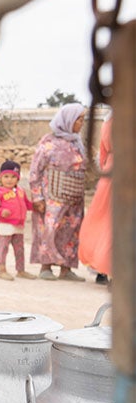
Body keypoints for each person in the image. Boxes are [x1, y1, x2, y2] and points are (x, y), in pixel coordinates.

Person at [29, 103, 88, 281]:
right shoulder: (49, 143)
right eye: (79, 119)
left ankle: (66, 268)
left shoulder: (77, 143)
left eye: (83, 119)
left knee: (71, 230)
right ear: (68, 120)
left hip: (74, 196)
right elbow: (35, 170)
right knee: (50, 228)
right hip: (53, 195)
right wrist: (37, 196)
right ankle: (45, 266)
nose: (82, 123)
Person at [79, 116, 113, 285]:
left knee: (102, 221)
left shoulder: (109, 121)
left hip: (110, 173)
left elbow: (103, 154)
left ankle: (102, 270)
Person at [0, 160, 34, 281]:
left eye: (13, 176)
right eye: (6, 176)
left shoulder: (20, 191)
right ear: (1, 177)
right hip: (4, 225)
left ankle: (21, 270)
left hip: (18, 226)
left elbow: (27, 204)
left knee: (19, 249)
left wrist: (36, 206)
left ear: (18, 178)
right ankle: (2, 270)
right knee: (4, 247)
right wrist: (0, 212)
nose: (9, 179)